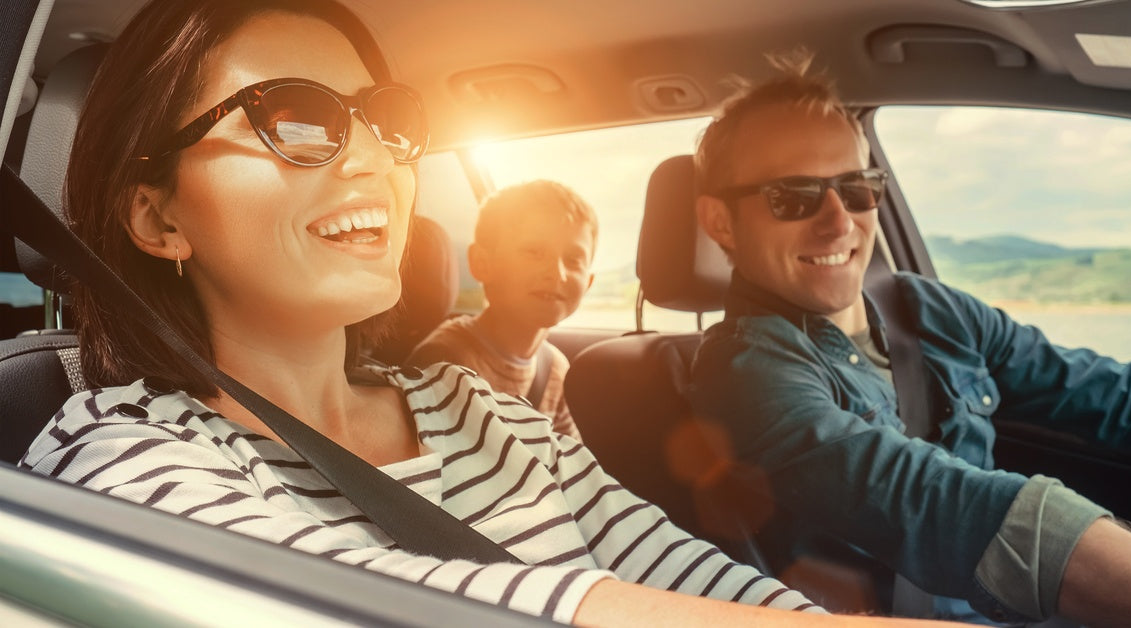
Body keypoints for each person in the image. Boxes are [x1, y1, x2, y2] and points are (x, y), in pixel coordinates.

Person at [14, 2, 961, 626]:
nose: (376, 159)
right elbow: (397, 604)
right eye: (296, 118)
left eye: (382, 119)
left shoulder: (487, 413)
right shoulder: (117, 451)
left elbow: (690, 576)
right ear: (159, 216)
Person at [689, 51, 1131, 626]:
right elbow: (934, 504)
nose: (839, 222)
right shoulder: (743, 371)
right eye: (794, 196)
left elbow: (1123, 395)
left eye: (857, 188)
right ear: (721, 223)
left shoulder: (927, 309)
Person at [407, 180, 595, 441]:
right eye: (534, 252)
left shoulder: (555, 368)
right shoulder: (445, 361)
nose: (557, 273)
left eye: (574, 260)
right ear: (482, 263)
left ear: (589, 282)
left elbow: (570, 465)